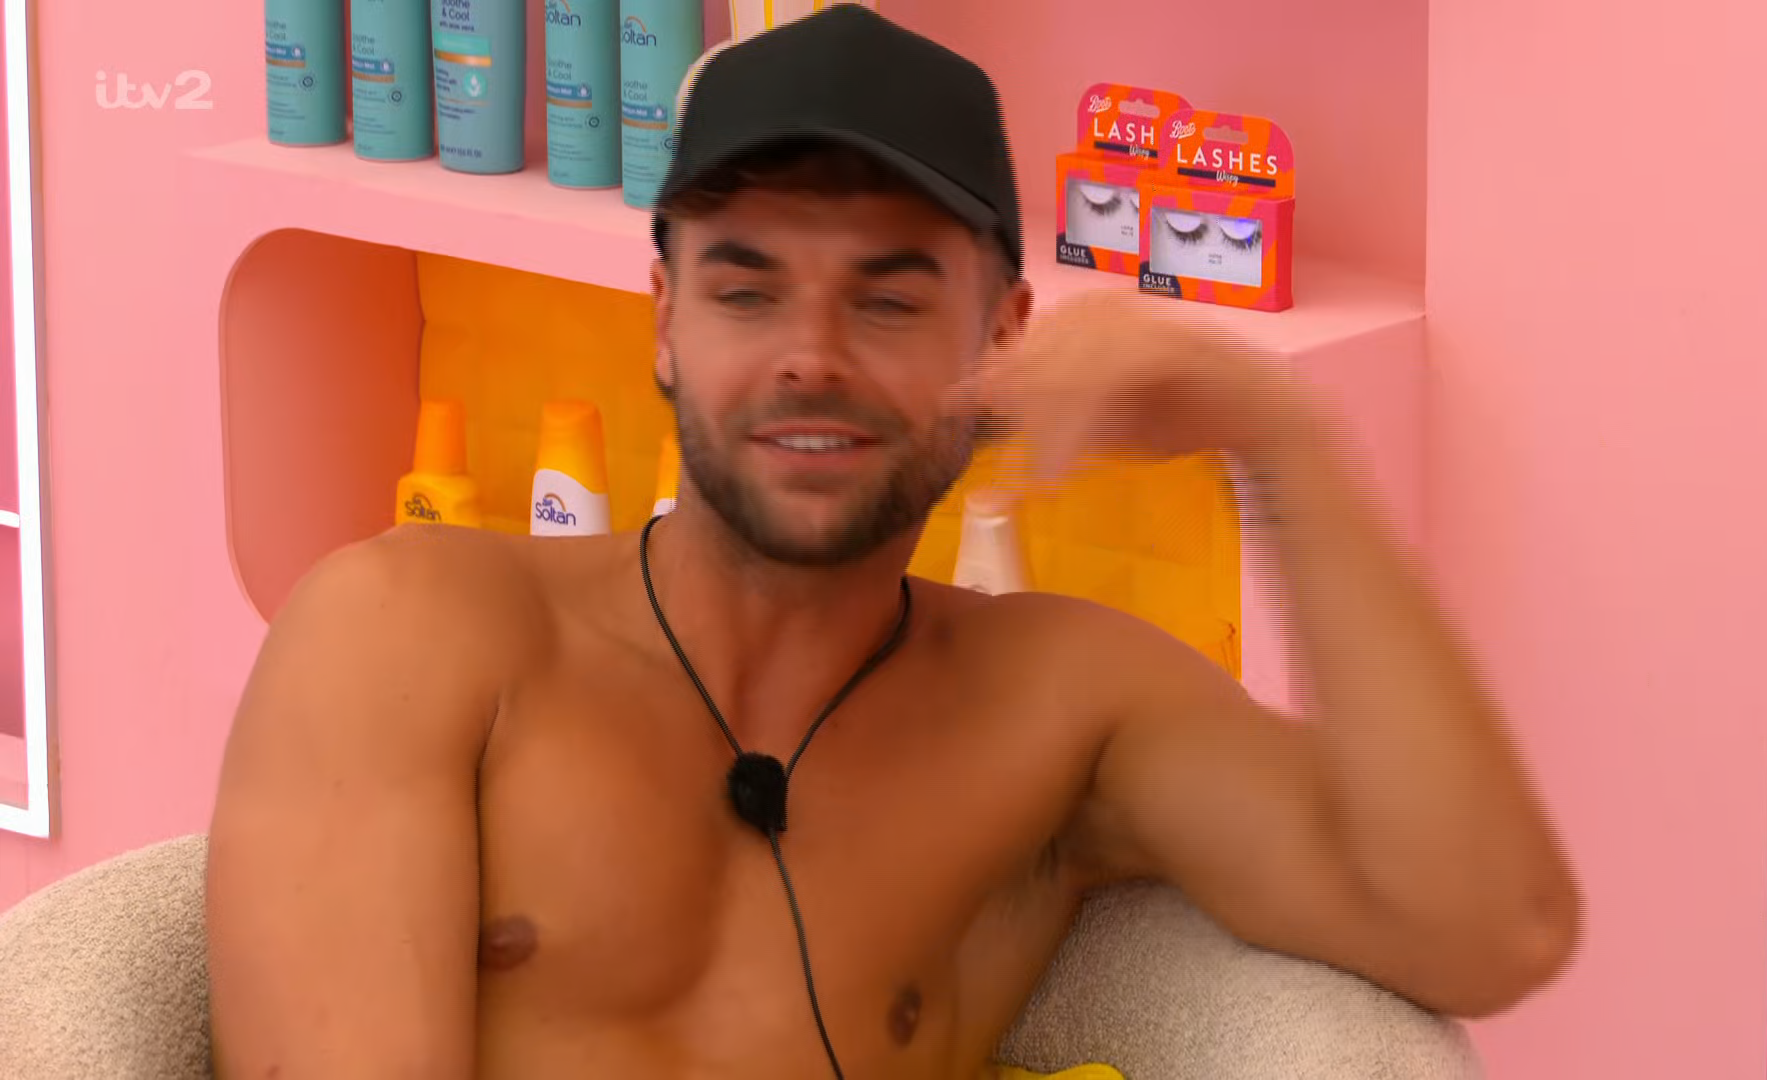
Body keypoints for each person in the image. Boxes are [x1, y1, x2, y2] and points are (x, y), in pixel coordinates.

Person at [204, 7, 1580, 1080]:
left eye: (889, 300)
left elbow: (1483, 928)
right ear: (665, 325)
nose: (810, 356)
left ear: (1004, 335)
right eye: (747, 291)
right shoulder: (414, 631)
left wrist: (1277, 438)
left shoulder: (1058, 705)